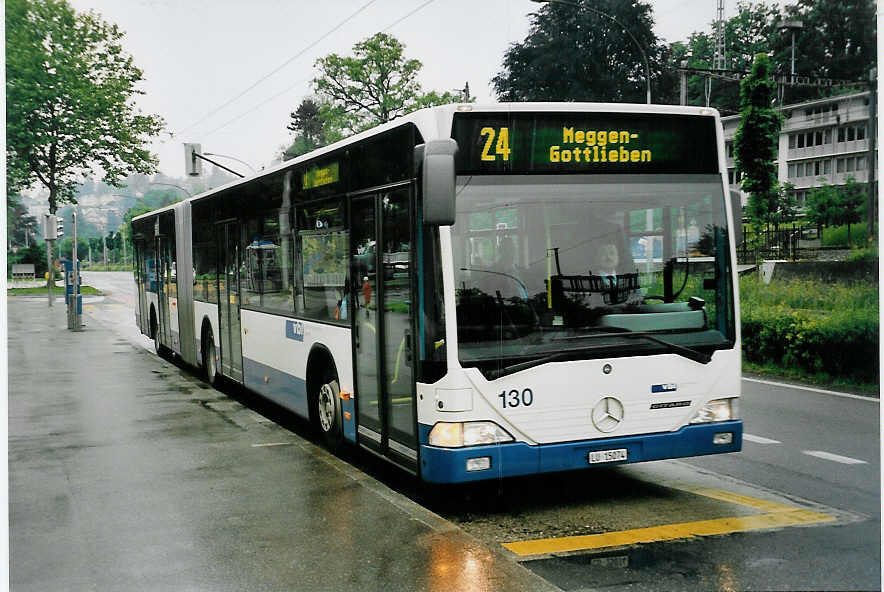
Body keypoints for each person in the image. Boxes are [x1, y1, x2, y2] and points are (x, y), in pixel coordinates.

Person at [591, 240, 643, 306]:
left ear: (618, 257)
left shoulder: (629, 279)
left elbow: (638, 301)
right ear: (596, 258)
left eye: (612, 253)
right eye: (603, 254)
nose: (608, 257)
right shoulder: (591, 281)